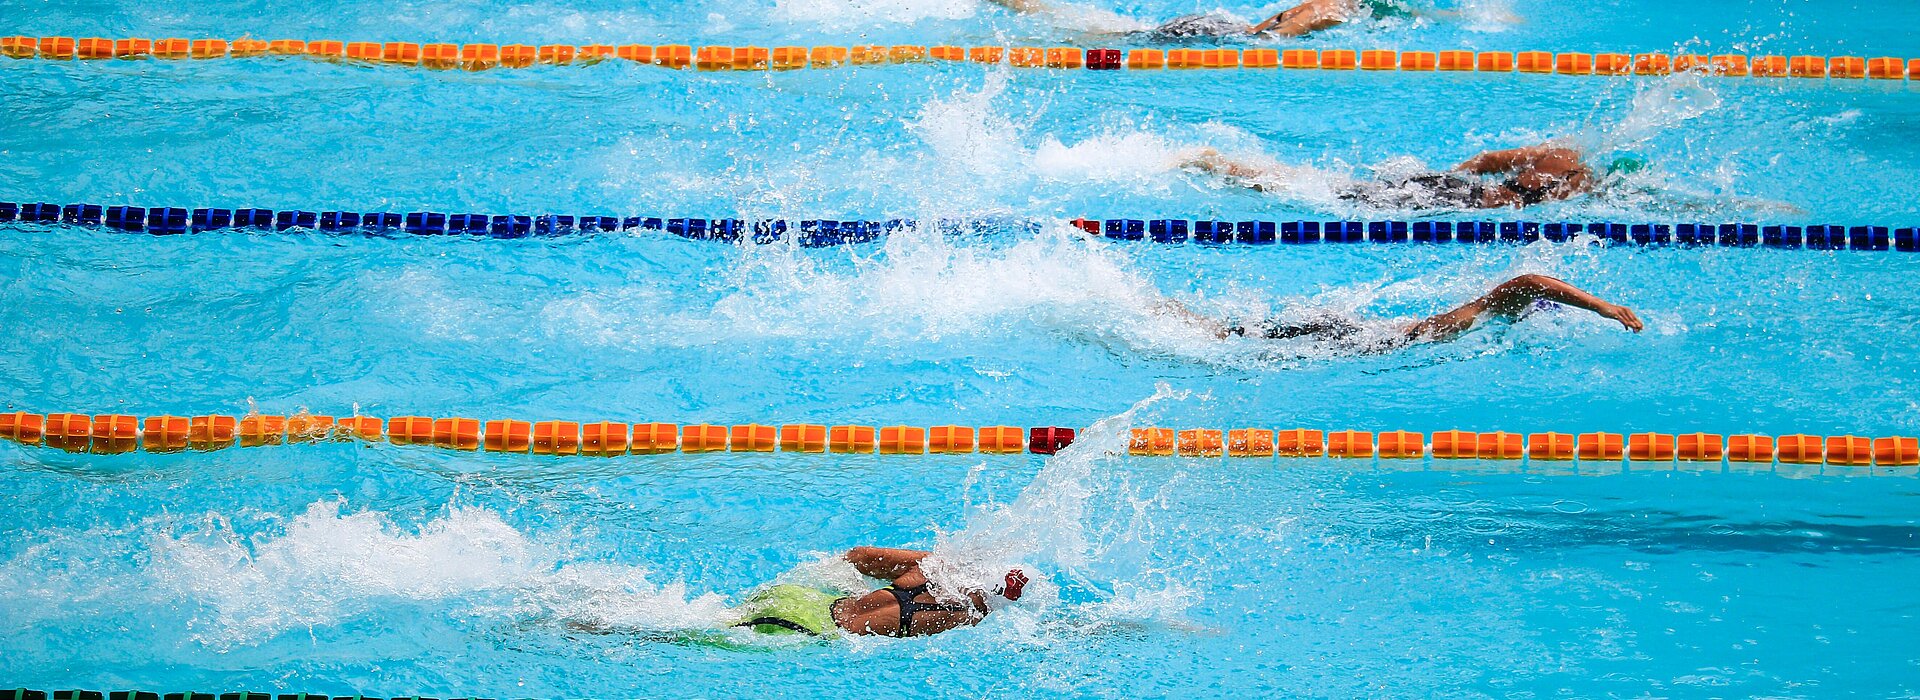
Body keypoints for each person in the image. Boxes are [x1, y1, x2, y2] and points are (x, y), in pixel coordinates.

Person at [1160, 274, 1643, 351]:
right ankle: (1176, 317)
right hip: (1354, 338)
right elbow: (1529, 283)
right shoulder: (1477, 315)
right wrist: (1601, 307)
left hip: (1356, 335)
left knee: (1233, 336)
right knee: (1226, 340)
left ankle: (1182, 317)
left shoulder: (1478, 322)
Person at [1182, 143, 1616, 210]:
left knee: (1340, 190)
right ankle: (1224, 167)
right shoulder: (1583, 182)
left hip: (1452, 189)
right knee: (1337, 197)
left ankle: (1230, 166)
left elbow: (1484, 159)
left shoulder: (1560, 151)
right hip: (1454, 201)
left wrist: (1447, 177)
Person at [731, 546, 1027, 638]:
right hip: (801, 632)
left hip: (798, 597)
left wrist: (855, 590)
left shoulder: (933, 567)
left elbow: (859, 556)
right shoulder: (967, 618)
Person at [986, 0, 1416, 39]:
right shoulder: (1332, 10)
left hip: (1218, 26)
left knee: (1114, 29)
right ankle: (1019, 6)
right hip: (1215, 36)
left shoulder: (1326, 2)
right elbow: (1273, 36)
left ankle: (1021, 6)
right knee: (1110, 35)